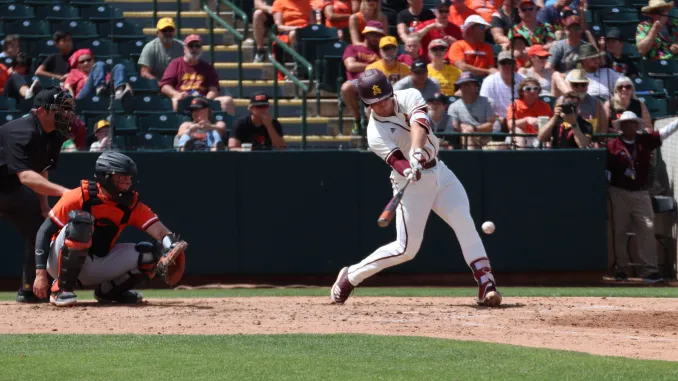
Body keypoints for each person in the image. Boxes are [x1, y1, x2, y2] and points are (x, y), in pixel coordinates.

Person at [330, 69, 502, 307]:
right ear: (366, 104)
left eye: (384, 99)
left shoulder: (408, 95)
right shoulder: (374, 133)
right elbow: (395, 160)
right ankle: (351, 276)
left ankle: (486, 284)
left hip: (440, 171)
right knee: (406, 249)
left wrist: (417, 150)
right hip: (410, 182)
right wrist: (407, 168)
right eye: (375, 103)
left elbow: (419, 123)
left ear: (391, 93)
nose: (382, 105)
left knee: (463, 221)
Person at [32, 152, 188, 306]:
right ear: (105, 177)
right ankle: (60, 289)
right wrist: (40, 274)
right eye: (122, 178)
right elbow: (44, 232)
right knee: (81, 224)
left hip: (98, 263)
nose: (127, 183)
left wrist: (170, 245)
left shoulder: (130, 204)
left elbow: (160, 231)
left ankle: (109, 293)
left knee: (149, 254)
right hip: (57, 264)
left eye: (129, 178)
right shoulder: (79, 196)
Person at [0, 87, 75, 303]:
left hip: (9, 189)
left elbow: (41, 169)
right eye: (61, 109)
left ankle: (30, 289)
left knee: (39, 228)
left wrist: (44, 205)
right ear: (41, 111)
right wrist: (65, 193)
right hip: (12, 185)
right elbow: (26, 177)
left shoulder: (55, 136)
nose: (66, 114)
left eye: (68, 109)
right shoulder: (21, 131)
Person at [606, 112, 678, 283]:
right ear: (620, 127)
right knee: (620, 231)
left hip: (641, 192)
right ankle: (621, 269)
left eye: (631, 123)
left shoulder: (645, 140)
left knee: (647, 228)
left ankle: (650, 270)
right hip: (618, 192)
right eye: (625, 123)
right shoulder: (612, 145)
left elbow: (665, 132)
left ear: (637, 125)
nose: (628, 126)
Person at [159, 35, 235, 114]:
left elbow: (213, 90)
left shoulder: (207, 67)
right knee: (175, 101)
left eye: (197, 46)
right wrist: (176, 94)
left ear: (201, 49)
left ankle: (226, 126)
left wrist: (206, 100)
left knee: (227, 100)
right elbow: (165, 86)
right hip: (183, 99)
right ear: (184, 49)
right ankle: (179, 124)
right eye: (191, 46)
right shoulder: (175, 64)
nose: (194, 49)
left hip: (202, 100)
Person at [448, 71, 496, 149]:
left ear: (476, 86)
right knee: (466, 134)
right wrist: (462, 127)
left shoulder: (488, 102)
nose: (465, 88)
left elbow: (490, 126)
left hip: (485, 137)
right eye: (463, 85)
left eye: (468, 84)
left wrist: (474, 128)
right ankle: (471, 159)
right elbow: (455, 127)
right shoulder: (453, 106)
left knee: (500, 147)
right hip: (465, 137)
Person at [64, 49, 131, 100]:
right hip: (84, 97)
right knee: (100, 64)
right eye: (82, 62)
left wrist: (126, 87)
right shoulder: (75, 72)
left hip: (106, 95)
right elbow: (67, 87)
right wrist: (72, 102)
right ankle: (100, 87)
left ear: (93, 60)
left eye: (88, 60)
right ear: (78, 64)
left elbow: (125, 85)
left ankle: (118, 92)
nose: (86, 63)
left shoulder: (103, 73)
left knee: (119, 67)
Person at [506, 77, 553, 148]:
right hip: (519, 137)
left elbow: (550, 125)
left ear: (539, 91)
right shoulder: (515, 105)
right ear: (521, 92)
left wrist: (540, 125)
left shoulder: (545, 106)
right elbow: (510, 125)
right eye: (528, 89)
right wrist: (527, 120)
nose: (532, 91)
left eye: (535, 88)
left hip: (538, 136)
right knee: (517, 130)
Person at [479, 50, 523, 120]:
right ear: (498, 65)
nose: (507, 66)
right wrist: (498, 119)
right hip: (498, 119)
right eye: (503, 63)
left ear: (515, 65)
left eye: (510, 63)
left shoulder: (523, 80)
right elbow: (484, 106)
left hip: (519, 119)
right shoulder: (489, 81)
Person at [138, 18, 184, 83]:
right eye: (164, 30)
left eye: (170, 30)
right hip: (158, 87)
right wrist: (160, 84)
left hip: (179, 85)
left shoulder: (182, 46)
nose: (168, 33)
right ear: (157, 33)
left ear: (174, 32)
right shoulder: (150, 47)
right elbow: (144, 72)